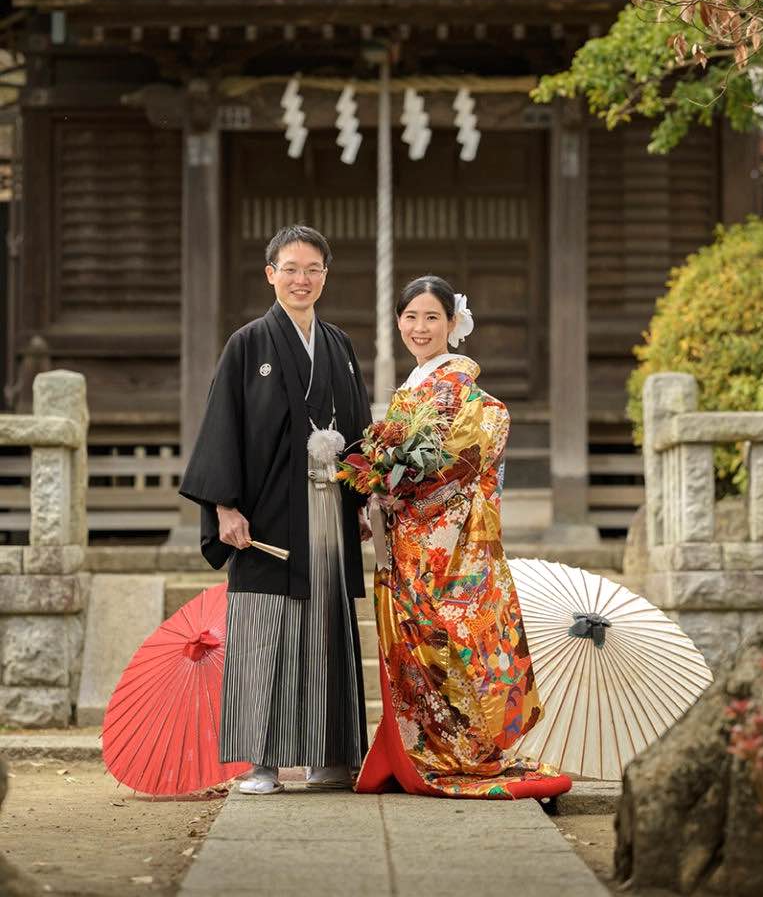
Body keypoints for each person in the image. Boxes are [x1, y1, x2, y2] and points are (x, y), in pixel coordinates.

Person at [355, 275, 572, 800]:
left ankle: (461, 752)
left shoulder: (460, 391)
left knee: (453, 641)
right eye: (410, 317)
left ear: (454, 324)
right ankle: (422, 748)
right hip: (407, 541)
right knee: (418, 648)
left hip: (445, 546)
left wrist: (392, 485)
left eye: (432, 318)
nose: (420, 328)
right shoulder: (416, 387)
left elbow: (461, 459)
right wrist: (376, 488)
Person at [179, 225, 370, 795]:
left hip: (327, 507)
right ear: (271, 275)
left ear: (325, 277)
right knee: (264, 630)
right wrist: (223, 507)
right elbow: (223, 428)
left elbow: (358, 427)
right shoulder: (247, 343)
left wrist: (360, 499)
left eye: (312, 269)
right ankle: (260, 762)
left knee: (324, 629)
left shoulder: (338, 345)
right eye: (290, 268)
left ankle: (327, 754)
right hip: (263, 515)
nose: (301, 279)